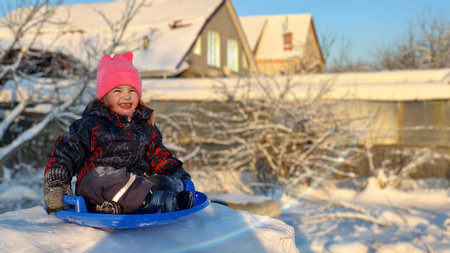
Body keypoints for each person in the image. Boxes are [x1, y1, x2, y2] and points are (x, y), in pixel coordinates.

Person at [44, 52, 193, 215]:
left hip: (136, 187)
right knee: (109, 177)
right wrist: (56, 184)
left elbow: (158, 155)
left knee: (166, 181)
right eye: (117, 90)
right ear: (105, 96)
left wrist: (176, 173)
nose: (126, 96)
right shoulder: (92, 125)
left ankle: (162, 201)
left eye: (132, 90)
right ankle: (156, 202)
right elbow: (66, 152)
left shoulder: (144, 126)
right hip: (97, 188)